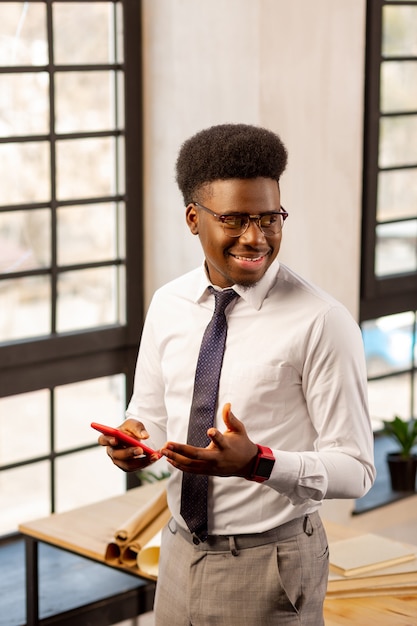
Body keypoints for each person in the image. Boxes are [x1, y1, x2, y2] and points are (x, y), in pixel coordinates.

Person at [98, 123, 375, 625]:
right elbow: (151, 413)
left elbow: (357, 470)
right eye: (235, 219)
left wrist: (258, 463)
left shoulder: (322, 321)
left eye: (270, 218)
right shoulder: (169, 304)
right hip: (179, 548)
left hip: (271, 563)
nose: (256, 237)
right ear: (192, 218)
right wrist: (135, 440)